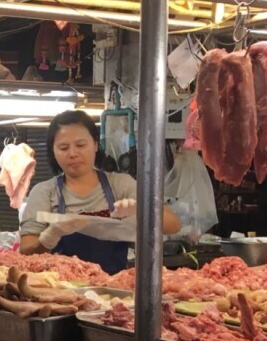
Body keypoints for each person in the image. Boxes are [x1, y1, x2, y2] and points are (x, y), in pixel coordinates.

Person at [19, 110, 180, 274]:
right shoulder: (45, 192)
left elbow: (173, 225)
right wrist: (50, 237)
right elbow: (25, 251)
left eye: (81, 145)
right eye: (63, 147)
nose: (73, 153)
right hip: (60, 290)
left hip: (112, 288)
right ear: (53, 151)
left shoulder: (120, 185)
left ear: (95, 144)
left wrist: (142, 211)